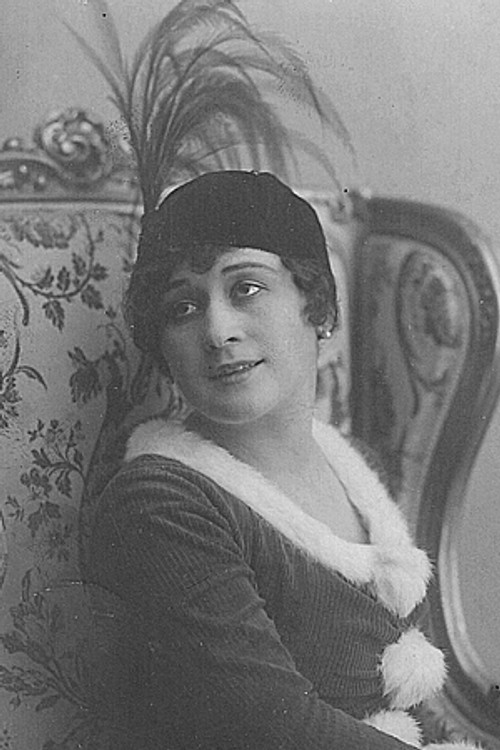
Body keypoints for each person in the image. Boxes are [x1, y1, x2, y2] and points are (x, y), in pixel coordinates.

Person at [88, 170, 479, 749]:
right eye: (183, 307)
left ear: (318, 308)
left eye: (246, 288)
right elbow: (278, 728)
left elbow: (412, 710)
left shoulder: (356, 469)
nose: (218, 331)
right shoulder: (161, 502)